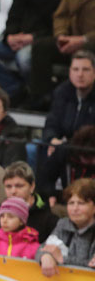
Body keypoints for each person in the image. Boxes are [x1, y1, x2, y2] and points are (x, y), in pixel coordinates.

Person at [28, 0, 95, 109]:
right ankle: (42, 100)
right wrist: (61, 36)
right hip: (70, 41)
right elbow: (60, 15)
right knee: (41, 47)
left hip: (91, 43)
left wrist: (83, 40)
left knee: (84, 56)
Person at [39, 50, 95, 196]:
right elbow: (52, 121)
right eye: (76, 69)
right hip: (64, 147)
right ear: (70, 72)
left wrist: (65, 144)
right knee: (38, 148)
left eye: (85, 69)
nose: (80, 74)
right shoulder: (62, 92)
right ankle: (46, 197)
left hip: (88, 149)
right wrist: (53, 139)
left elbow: (90, 133)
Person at [38, 178, 95, 276]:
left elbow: (90, 266)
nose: (75, 208)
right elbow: (42, 248)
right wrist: (45, 256)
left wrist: (62, 259)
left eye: (81, 203)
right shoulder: (63, 225)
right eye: (71, 203)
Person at [0, 161, 59, 242]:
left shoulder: (49, 220)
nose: (13, 191)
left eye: (19, 186)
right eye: (8, 186)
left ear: (32, 186)